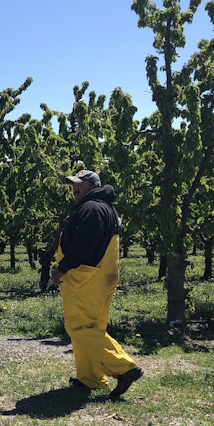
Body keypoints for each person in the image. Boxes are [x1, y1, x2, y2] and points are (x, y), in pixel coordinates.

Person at [50, 170, 143, 400]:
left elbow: (84, 244)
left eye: (79, 184)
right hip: (100, 276)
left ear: (93, 185)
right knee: (91, 327)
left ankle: (124, 368)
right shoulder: (106, 207)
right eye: (73, 185)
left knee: (81, 328)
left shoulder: (91, 208)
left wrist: (63, 267)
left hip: (86, 277)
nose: (74, 189)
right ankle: (90, 378)